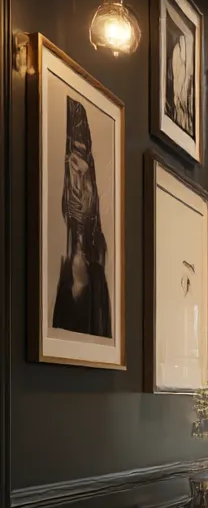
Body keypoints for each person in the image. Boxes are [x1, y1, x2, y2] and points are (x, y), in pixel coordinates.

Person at [51, 96, 112, 338]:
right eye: (70, 163)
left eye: (83, 161)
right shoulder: (58, 256)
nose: (78, 176)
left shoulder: (97, 274)